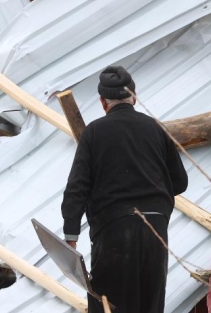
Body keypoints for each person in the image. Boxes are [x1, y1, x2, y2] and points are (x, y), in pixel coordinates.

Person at [62, 66, 188, 312]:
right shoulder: (155, 128)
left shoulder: (94, 132)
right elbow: (180, 182)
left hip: (113, 230)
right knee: (149, 305)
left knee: (110, 305)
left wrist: (71, 235)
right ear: (134, 97)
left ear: (103, 102)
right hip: (155, 229)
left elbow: (77, 188)